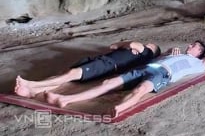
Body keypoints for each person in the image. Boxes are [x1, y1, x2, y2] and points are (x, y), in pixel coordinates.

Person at [45, 40, 205, 117]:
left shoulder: (198, 63)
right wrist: (168, 53)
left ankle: (120, 107)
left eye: (195, 47)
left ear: (199, 54)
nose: (190, 46)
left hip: (162, 74)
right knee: (109, 83)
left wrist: (201, 57)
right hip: (148, 67)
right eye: (192, 44)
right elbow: (154, 58)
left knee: (141, 89)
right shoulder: (173, 53)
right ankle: (66, 99)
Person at [14, 40, 160, 98]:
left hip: (107, 65)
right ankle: (33, 91)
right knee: (67, 75)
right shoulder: (139, 52)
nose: (148, 43)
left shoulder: (146, 52)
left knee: (71, 74)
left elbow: (133, 43)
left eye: (151, 44)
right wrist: (127, 45)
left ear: (152, 50)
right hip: (102, 60)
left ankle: (32, 84)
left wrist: (132, 44)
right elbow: (113, 46)